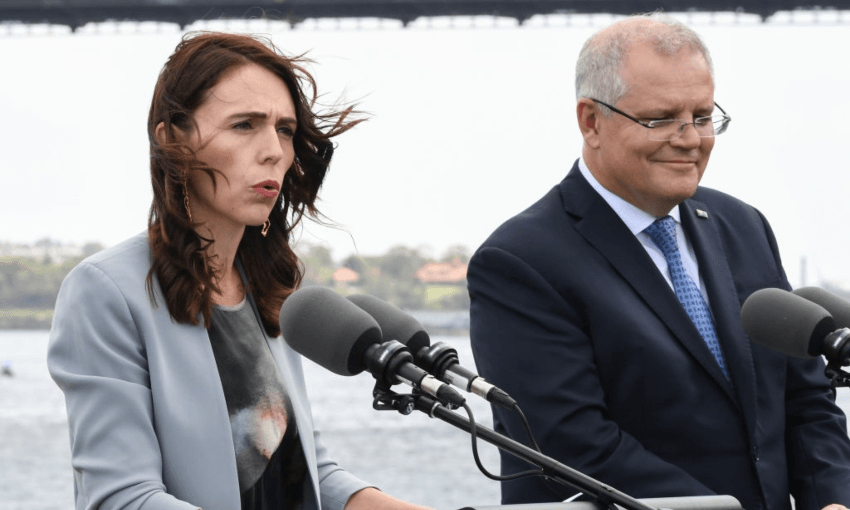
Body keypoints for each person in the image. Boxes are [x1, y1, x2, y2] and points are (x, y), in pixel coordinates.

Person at [467, 13, 850, 510]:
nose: (690, 138)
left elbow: (805, 400)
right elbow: (574, 448)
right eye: (661, 118)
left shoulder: (743, 225)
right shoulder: (519, 261)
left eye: (703, 116)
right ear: (591, 121)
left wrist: (833, 501)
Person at [48, 31, 431, 510]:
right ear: (172, 139)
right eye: (244, 125)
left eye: (286, 130)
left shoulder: (277, 294)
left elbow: (304, 473)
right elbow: (124, 500)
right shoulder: (105, 291)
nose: (273, 149)